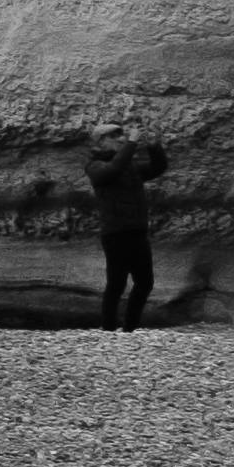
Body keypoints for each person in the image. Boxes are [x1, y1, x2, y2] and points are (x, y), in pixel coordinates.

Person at [85, 141, 171, 330]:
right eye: (114, 135)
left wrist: (154, 146)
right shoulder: (94, 166)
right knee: (116, 284)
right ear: (100, 139)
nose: (119, 138)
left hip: (137, 231)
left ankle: (130, 328)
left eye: (120, 134)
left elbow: (159, 167)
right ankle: (108, 328)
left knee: (145, 282)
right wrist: (131, 143)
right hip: (115, 233)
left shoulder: (130, 168)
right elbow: (112, 169)